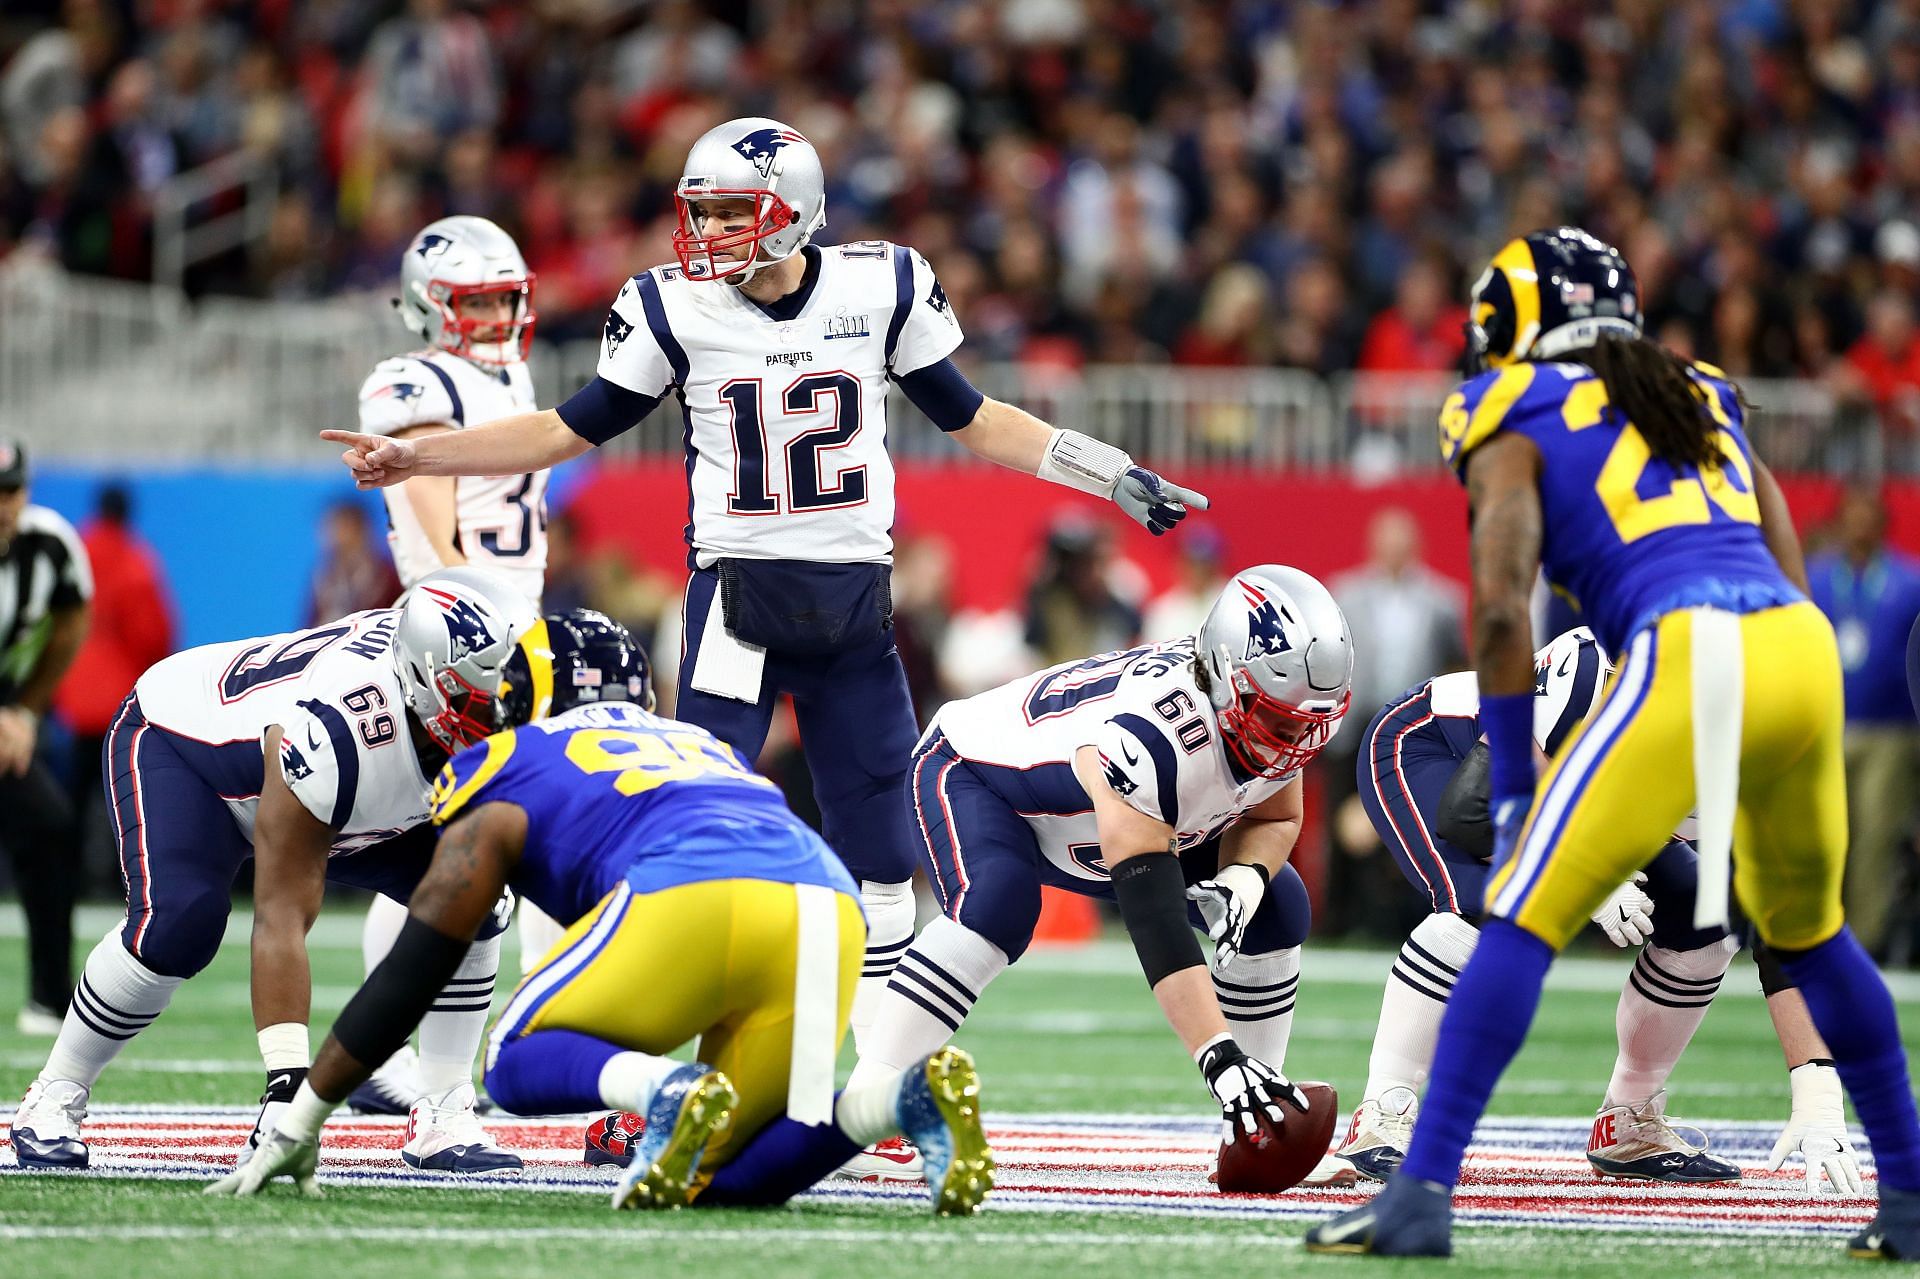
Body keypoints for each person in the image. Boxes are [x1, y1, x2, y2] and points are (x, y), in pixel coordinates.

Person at [320, 116, 1209, 1179]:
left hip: (851, 618)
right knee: (683, 848)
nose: (709, 232)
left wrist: (1109, 471)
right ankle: (642, 1094)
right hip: (734, 611)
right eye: (701, 211)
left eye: (731, 210)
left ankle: (873, 1088)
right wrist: (420, 453)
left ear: (794, 205)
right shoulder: (669, 305)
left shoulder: (880, 286)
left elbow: (974, 418)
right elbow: (567, 427)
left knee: (885, 871)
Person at [1308, 227, 1920, 1258]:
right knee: (1809, 929)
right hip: (1795, 652)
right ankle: (1906, 1200)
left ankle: (1417, 1195)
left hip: (1682, 651)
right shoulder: (1701, 389)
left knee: (1516, 919)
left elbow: (1502, 609)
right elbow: (1783, 552)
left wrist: (1514, 803)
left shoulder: (1507, 406)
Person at [209, 612, 996, 1216]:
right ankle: (892, 1102)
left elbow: (419, 962)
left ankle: (664, 1088)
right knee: (718, 1178)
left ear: (525, 692)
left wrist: (305, 1108)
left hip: (694, 890)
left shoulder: (508, 756)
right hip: (826, 901)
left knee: (510, 1055)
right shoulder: (698, 744)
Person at [7, 568, 538, 1176]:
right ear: (422, 680)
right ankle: (55, 1095)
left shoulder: (455, 689)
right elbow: (281, 911)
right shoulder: (338, 730)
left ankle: (443, 1109)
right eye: (480, 703)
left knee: (478, 892)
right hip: (190, 751)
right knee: (180, 924)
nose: (503, 721)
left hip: (347, 793)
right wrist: (289, 1090)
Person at [1310, 627, 1859, 1196]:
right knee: (1484, 906)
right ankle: (1383, 1112)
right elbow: (1471, 816)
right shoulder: (1592, 673)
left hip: (1591, 806)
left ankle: (1627, 1121)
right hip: (1444, 752)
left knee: (1707, 927)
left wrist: (1817, 1096)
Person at [847, 565, 1350, 1176]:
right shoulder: (1153, 738)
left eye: (1308, 723)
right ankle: (867, 1112)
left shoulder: (1271, 713)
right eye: (1279, 722)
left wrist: (1247, 878)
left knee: (1276, 904)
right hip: (978, 775)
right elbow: (1155, 924)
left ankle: (1259, 1120)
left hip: (1097, 821)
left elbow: (1274, 820)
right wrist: (1218, 1057)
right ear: (1225, 678)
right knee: (998, 906)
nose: (1292, 742)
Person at [347, 214, 564, 1121]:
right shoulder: (415, 382)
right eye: (472, 302)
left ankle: (401, 1050)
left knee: (480, 842)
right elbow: (435, 535)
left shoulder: (507, 373)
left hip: (516, 624)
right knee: (440, 846)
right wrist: (475, 646)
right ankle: (396, 1050)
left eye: (502, 299)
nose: (492, 317)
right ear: (431, 307)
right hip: (461, 636)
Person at [0, 440, 92, 1036]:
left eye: (10, 491)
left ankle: (49, 997)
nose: (2, 506)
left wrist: (26, 712)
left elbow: (70, 623)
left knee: (52, 826)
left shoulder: (49, 544)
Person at [1805, 486, 1920, 958]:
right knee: (1826, 833)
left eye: (1867, 516)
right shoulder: (1816, 577)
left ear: (1882, 524)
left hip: (1889, 730)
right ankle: (1817, 935)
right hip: (1826, 724)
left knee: (1875, 835)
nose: (1859, 526)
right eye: (1851, 516)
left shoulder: (1909, 582)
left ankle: (1863, 942)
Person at [51, 484, 175, 908]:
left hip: (71, 695)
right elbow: (153, 634)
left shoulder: (73, 553)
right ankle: (115, 879)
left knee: (71, 793)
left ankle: (65, 874)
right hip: (117, 700)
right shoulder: (135, 561)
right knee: (121, 795)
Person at [306, 501, 400, 625]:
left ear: (361, 531)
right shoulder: (324, 579)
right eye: (333, 529)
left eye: (345, 528)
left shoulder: (386, 576)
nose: (338, 537)